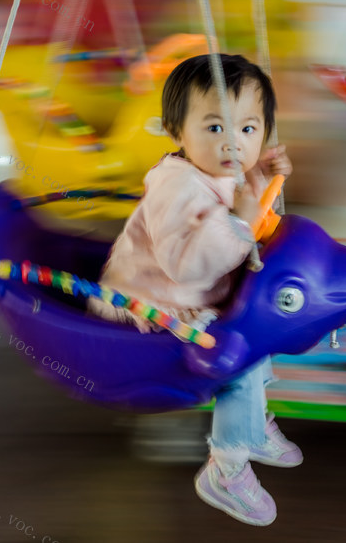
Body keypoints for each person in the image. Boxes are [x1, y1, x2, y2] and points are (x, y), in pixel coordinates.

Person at [87, 53, 299, 526]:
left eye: (248, 129)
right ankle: (226, 467)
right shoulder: (176, 185)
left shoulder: (217, 171)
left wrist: (263, 177)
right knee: (240, 357)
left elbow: (242, 208)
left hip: (191, 299)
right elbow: (186, 265)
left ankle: (253, 427)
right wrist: (242, 218)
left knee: (262, 330)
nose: (233, 144)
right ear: (175, 132)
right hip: (151, 306)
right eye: (214, 128)